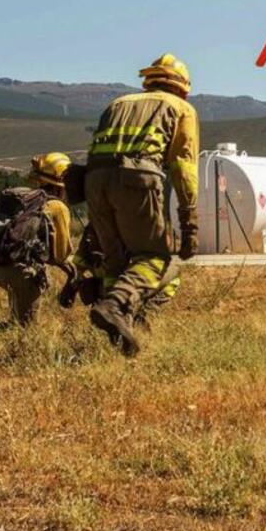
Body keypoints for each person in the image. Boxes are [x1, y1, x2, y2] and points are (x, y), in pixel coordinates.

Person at [80, 53, 199, 356]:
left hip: (93, 181)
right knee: (155, 258)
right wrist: (189, 222)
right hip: (136, 179)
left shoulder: (116, 104)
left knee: (116, 262)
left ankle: (120, 334)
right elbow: (184, 168)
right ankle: (115, 305)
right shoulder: (180, 107)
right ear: (182, 87)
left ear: (149, 80)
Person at [0, 153, 76, 326]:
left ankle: (3, 321)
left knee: (19, 314)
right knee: (27, 329)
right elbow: (60, 255)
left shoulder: (26, 198)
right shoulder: (58, 207)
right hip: (21, 273)